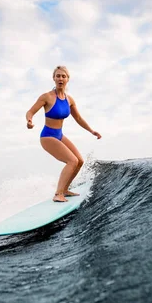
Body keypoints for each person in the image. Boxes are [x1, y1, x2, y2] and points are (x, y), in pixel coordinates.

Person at [26, 65, 102, 202]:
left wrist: (91, 130)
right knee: (72, 161)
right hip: (48, 136)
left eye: (63, 76)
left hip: (59, 135)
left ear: (67, 79)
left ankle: (65, 190)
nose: (60, 78)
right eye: (58, 76)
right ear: (54, 78)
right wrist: (29, 120)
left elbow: (78, 118)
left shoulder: (69, 100)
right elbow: (30, 111)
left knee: (79, 161)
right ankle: (57, 194)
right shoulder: (46, 97)